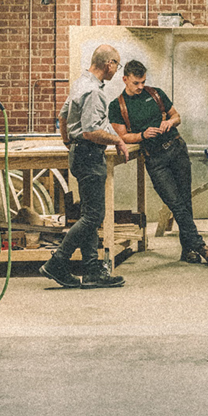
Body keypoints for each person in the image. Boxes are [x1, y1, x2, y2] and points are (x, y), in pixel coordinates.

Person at [110, 60, 208, 267]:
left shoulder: (156, 93)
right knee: (175, 202)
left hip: (176, 149)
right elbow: (122, 136)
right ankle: (200, 246)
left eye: (143, 82)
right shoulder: (117, 106)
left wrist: (170, 122)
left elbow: (176, 116)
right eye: (136, 83)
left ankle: (188, 251)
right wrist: (142, 134)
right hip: (155, 158)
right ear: (125, 80)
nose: (141, 87)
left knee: (185, 200)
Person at [41, 44, 132, 289]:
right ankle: (57, 262)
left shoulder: (81, 83)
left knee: (88, 215)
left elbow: (62, 116)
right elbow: (92, 131)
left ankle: (92, 271)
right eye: (117, 64)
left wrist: (68, 142)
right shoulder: (94, 91)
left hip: (80, 154)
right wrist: (118, 140)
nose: (116, 69)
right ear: (108, 64)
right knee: (93, 216)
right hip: (90, 156)